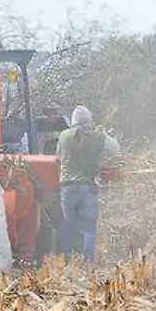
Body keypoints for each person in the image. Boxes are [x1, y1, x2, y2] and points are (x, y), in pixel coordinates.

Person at [56, 105, 120, 262]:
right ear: (89, 120)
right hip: (87, 187)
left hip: (67, 188)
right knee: (88, 228)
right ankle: (88, 264)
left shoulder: (63, 136)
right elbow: (116, 149)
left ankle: (67, 263)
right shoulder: (97, 136)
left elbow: (58, 156)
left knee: (68, 227)